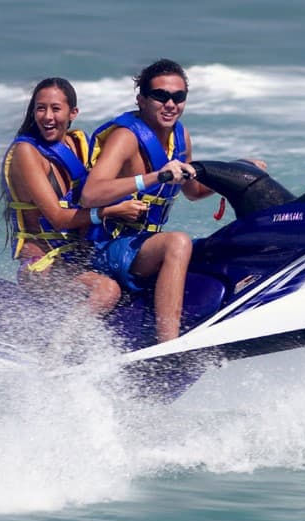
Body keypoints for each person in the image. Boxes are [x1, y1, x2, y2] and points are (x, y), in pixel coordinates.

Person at [79, 59, 213, 342]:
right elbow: (90, 194)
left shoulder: (180, 135)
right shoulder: (126, 137)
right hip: (108, 246)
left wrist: (241, 173)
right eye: (160, 96)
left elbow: (193, 191)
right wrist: (154, 177)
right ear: (141, 100)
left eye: (178, 97)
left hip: (142, 245)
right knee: (178, 242)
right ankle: (169, 347)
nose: (170, 104)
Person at [0, 77, 145, 315]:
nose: (47, 116)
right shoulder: (26, 152)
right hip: (42, 265)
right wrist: (111, 212)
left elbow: (103, 188)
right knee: (107, 291)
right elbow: (58, 218)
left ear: (73, 113)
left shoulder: (78, 143)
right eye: (41, 108)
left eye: (56, 109)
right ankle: (59, 348)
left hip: (78, 257)